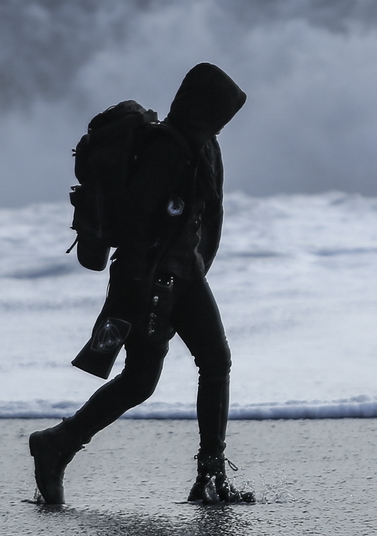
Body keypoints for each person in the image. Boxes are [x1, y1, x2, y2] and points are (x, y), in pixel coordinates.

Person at [29, 63, 251, 507]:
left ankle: (210, 475)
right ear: (199, 106)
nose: (222, 124)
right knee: (141, 380)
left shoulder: (206, 147)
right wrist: (133, 294)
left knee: (216, 360)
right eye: (218, 114)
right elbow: (133, 227)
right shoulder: (165, 149)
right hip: (148, 277)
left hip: (185, 273)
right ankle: (57, 442)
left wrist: (197, 267)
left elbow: (213, 214)